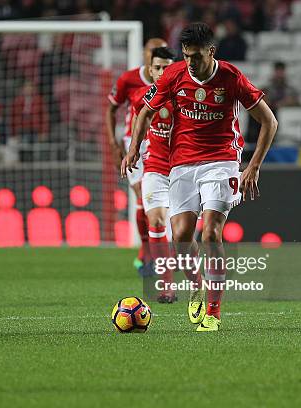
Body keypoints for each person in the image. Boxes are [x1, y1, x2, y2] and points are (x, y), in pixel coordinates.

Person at [123, 23, 277, 332]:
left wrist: (254, 165)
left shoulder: (231, 78)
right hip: (181, 164)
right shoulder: (173, 75)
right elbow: (144, 111)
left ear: (211, 51)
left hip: (221, 161)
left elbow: (268, 121)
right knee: (180, 237)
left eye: (195, 56)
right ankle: (198, 284)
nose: (190, 62)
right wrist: (133, 149)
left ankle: (214, 313)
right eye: (186, 55)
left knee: (210, 233)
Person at [106, 37, 167, 274]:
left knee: (155, 201)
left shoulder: (173, 81)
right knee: (142, 194)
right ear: (145, 56)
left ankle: (157, 253)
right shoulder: (128, 79)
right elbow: (111, 109)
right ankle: (147, 251)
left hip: (163, 141)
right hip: (135, 143)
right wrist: (113, 143)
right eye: (151, 53)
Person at [128, 46, 176, 303]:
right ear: (150, 69)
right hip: (155, 168)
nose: (161, 72)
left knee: (182, 233)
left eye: (166, 67)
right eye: (157, 67)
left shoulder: (187, 96)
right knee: (156, 221)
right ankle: (165, 286)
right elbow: (137, 128)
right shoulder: (140, 98)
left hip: (185, 170)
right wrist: (132, 153)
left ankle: (197, 281)